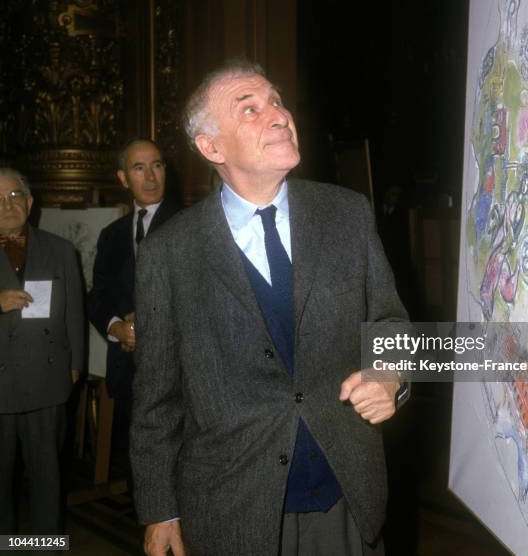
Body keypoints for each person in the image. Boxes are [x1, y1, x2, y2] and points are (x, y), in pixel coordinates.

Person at [130, 61, 410, 556]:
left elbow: (390, 322)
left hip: (344, 497)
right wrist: (159, 509)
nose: (278, 114)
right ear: (211, 147)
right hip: (231, 509)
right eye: (251, 109)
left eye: (277, 101)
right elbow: (157, 396)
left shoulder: (346, 213)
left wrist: (388, 375)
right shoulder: (169, 252)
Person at [88, 139, 181, 473]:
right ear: (123, 178)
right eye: (139, 168)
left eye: (157, 165)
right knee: (139, 472)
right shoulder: (111, 235)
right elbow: (98, 296)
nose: (151, 177)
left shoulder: (192, 225)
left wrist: (149, 325)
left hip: (180, 374)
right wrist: (116, 327)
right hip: (128, 371)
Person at [0, 168, 84, 533]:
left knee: (47, 485)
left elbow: (75, 313)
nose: (7, 206)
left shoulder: (61, 249)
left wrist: (75, 364)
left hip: (47, 382)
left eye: (15, 196)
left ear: (30, 203)